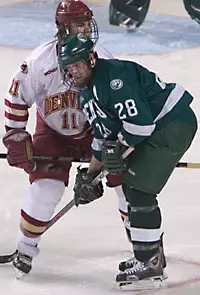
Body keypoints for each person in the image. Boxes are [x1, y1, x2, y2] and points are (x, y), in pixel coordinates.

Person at [57, 35, 197, 289]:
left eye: (76, 64)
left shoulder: (114, 78)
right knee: (133, 188)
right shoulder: (86, 95)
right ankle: (147, 256)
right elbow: (102, 139)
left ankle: (150, 261)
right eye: (67, 67)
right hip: (159, 128)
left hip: (173, 123)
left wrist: (118, 147)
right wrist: (89, 175)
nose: (72, 71)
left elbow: (141, 126)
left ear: (91, 59)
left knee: (138, 188)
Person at [2, 0, 130, 278]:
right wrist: (15, 135)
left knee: (127, 184)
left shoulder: (103, 58)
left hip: (96, 129)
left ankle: (144, 249)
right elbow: (16, 98)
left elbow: (117, 104)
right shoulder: (38, 63)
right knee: (46, 188)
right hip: (53, 133)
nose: (85, 29)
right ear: (63, 28)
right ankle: (25, 249)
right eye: (78, 24)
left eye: (87, 23)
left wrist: (114, 143)